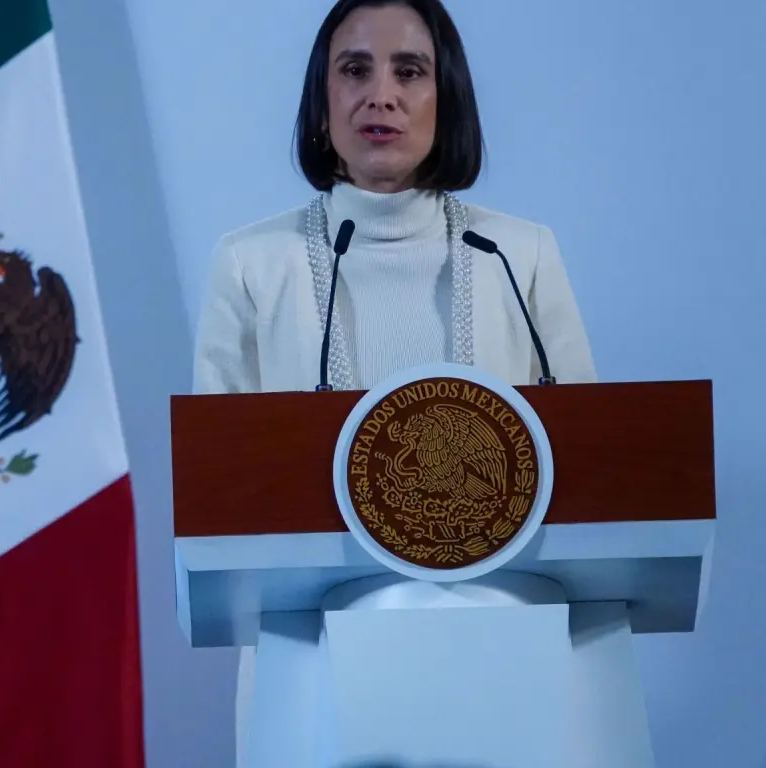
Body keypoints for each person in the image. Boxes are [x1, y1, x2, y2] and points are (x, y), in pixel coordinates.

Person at [190, 0, 596, 763]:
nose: (381, 94)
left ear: (448, 99)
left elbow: (595, 477)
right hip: (317, 660)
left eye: (410, 71)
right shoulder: (251, 265)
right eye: (354, 70)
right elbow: (221, 500)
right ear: (322, 101)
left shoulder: (518, 255)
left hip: (506, 655)